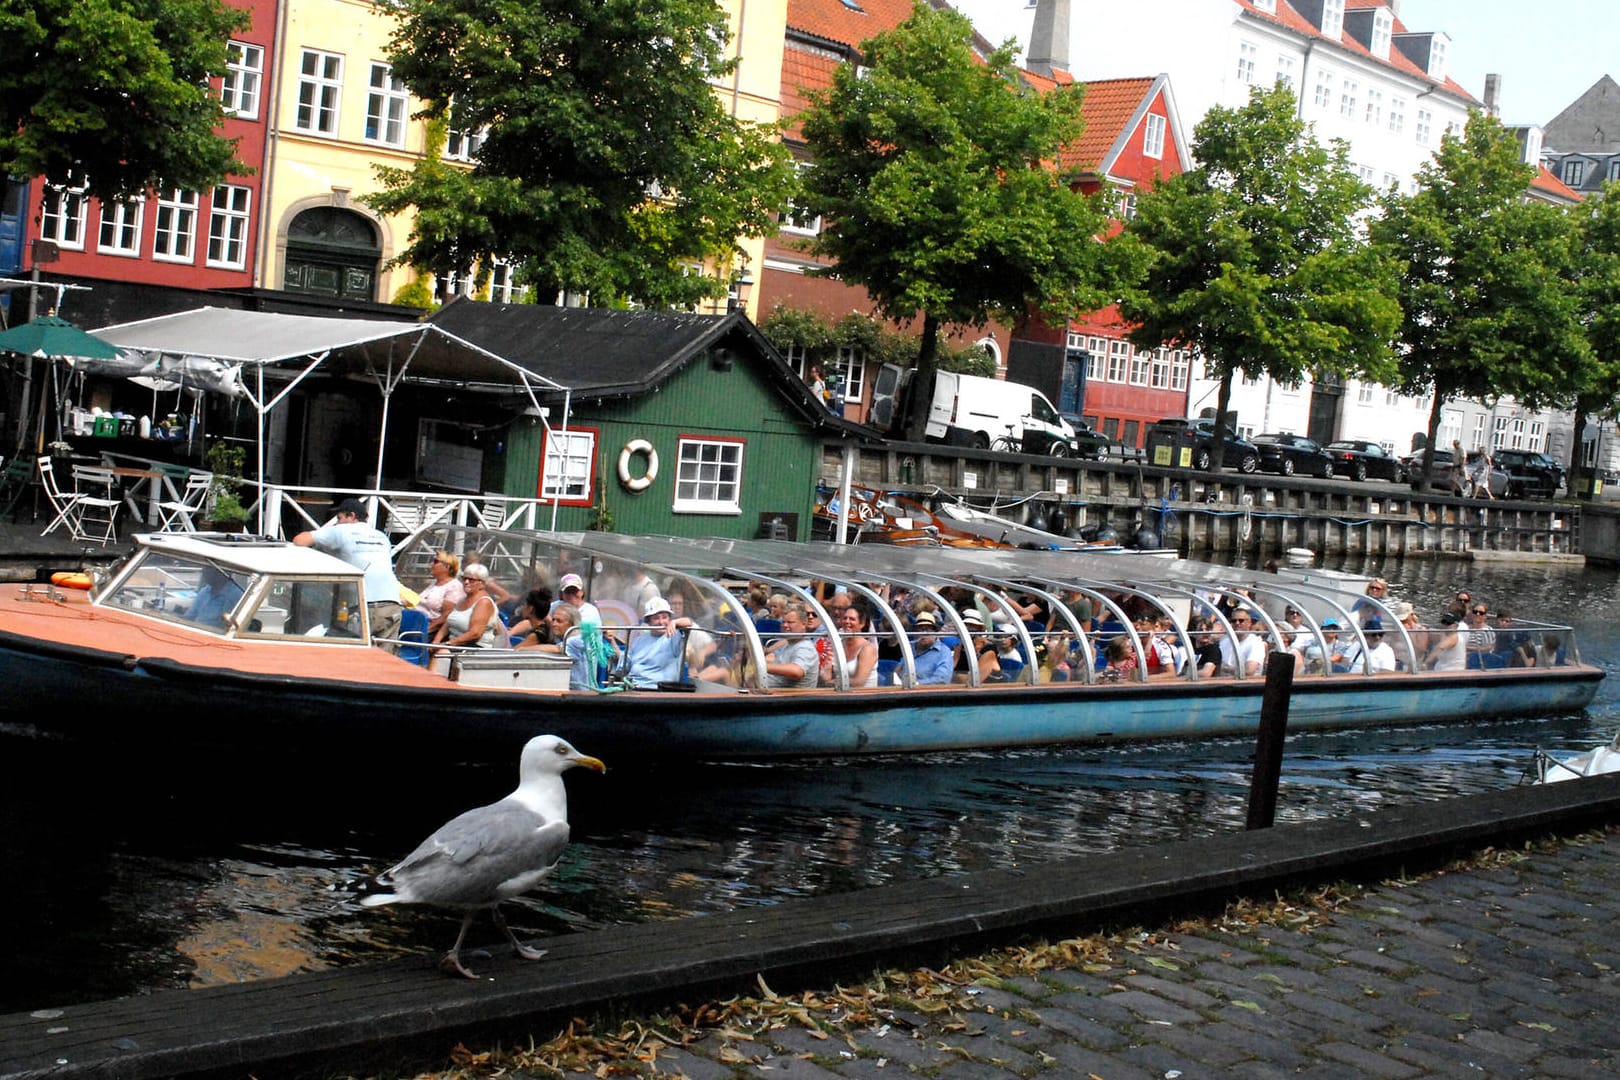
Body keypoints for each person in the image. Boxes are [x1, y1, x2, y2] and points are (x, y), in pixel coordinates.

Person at [294, 497, 404, 647]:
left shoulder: (341, 530)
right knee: (384, 660)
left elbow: (299, 540)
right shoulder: (381, 536)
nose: (337, 522)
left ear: (351, 516)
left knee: (352, 653)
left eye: (339, 518)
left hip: (362, 604)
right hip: (392, 603)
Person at [621, 597, 694, 688]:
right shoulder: (639, 640)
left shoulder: (673, 636)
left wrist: (675, 622)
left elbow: (689, 623)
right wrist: (612, 642)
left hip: (658, 690)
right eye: (656, 618)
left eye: (664, 617)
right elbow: (625, 664)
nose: (661, 622)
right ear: (649, 622)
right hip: (632, 686)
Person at [433, 563, 504, 652]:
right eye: (464, 578)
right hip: (453, 644)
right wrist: (436, 641)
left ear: (481, 583)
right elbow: (447, 624)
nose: (466, 582)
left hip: (473, 648)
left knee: (441, 653)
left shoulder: (484, 602)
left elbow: (475, 634)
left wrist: (447, 644)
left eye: (471, 580)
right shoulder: (462, 599)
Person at [761, 603, 820, 688]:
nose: (785, 625)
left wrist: (762, 667)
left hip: (792, 698)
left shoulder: (805, 647)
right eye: (783, 622)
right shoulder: (790, 644)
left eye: (790, 622)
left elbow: (797, 671)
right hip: (774, 694)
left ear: (804, 624)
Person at [828, 599, 879, 688]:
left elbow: (858, 682)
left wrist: (832, 682)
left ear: (862, 624)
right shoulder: (838, 644)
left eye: (852, 619)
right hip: (840, 696)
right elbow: (826, 675)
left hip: (863, 698)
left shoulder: (867, 649)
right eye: (845, 618)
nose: (847, 621)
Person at [416, 551, 465, 636]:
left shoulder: (454, 586)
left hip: (430, 630)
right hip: (417, 623)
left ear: (447, 566)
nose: (431, 564)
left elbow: (447, 616)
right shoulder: (434, 583)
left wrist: (424, 631)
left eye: (435, 561)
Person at [951, 610, 1003, 684]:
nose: (967, 629)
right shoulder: (962, 648)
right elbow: (952, 672)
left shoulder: (989, 649)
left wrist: (957, 677)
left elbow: (973, 681)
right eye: (965, 625)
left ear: (979, 628)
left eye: (972, 625)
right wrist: (956, 656)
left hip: (990, 690)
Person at [1217, 606, 1266, 678]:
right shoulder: (1224, 641)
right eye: (1233, 621)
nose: (1237, 623)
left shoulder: (1256, 643)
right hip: (1222, 684)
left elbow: (1248, 671)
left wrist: (1225, 668)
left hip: (1245, 685)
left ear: (1249, 623)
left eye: (1241, 620)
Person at [909, 610, 955, 685]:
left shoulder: (944, 652)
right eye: (920, 629)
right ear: (915, 632)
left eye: (928, 629)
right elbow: (899, 669)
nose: (924, 633)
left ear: (935, 631)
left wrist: (915, 684)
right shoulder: (909, 647)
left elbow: (942, 679)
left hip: (929, 694)